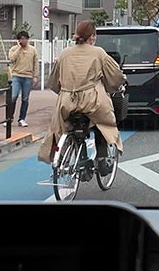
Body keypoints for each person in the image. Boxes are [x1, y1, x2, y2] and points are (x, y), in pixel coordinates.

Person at [38, 21, 126, 164]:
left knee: (62, 127)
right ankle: (102, 157)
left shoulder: (64, 54)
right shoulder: (98, 53)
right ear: (92, 36)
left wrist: (64, 91)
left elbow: (53, 81)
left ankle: (70, 156)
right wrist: (117, 85)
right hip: (92, 100)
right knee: (104, 124)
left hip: (67, 102)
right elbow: (115, 75)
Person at [8, 30, 39, 127]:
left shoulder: (33, 50)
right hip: (16, 76)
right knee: (13, 97)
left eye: (25, 38)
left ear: (28, 39)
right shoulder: (14, 49)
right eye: (21, 39)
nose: (23, 40)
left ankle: (22, 119)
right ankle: (9, 118)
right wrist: (18, 48)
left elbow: (36, 63)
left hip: (28, 77)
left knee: (25, 99)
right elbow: (12, 59)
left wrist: (35, 76)